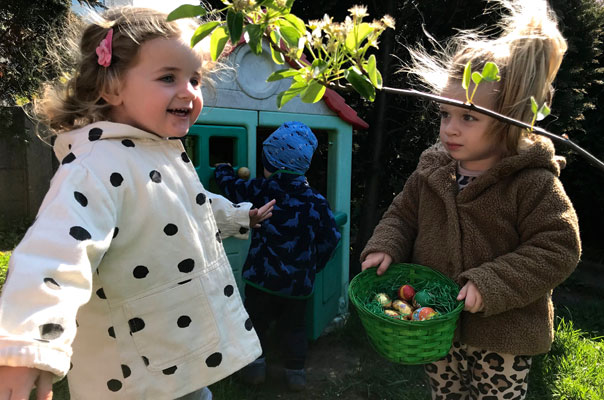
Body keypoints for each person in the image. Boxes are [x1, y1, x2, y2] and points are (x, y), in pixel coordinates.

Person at [0, 7, 276, 400]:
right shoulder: (95, 166)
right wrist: (26, 347)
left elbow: (189, 204)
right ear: (111, 88)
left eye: (195, 79)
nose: (189, 92)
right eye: (168, 78)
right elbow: (56, 254)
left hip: (172, 353)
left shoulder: (157, 151)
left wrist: (236, 216)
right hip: (135, 375)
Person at [360, 1, 581, 398]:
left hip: (503, 335)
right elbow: (402, 214)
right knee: (445, 393)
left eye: (469, 117)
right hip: (437, 325)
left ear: (511, 118)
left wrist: (491, 282)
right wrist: (386, 244)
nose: (450, 129)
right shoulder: (433, 171)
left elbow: (558, 247)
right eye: (445, 115)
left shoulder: (530, 182)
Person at [214, 121, 341, 392]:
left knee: (256, 321)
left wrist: (223, 169)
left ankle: (255, 368)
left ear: (268, 161)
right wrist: (313, 264)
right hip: (298, 285)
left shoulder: (261, 189)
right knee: (294, 327)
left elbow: (232, 188)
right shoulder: (316, 201)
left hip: (262, 279)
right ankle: (295, 373)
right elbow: (331, 237)